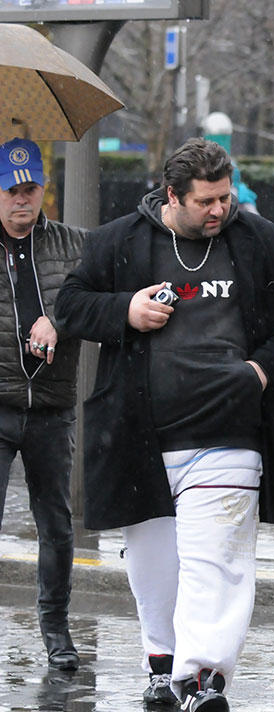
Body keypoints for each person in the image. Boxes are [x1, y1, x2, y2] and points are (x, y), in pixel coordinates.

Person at [56, 138, 274, 712]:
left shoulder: (259, 240)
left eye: (225, 197)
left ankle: (201, 680)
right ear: (172, 197)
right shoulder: (119, 241)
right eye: (206, 202)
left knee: (216, 560)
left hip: (230, 429)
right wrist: (125, 311)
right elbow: (68, 306)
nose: (220, 210)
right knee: (154, 564)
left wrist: (260, 370)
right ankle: (160, 659)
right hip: (140, 431)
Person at [0, 138, 86, 671]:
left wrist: (61, 319)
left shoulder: (74, 246)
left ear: (43, 190)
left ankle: (55, 627)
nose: (20, 200)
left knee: (56, 524)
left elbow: (100, 300)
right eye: (10, 190)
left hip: (52, 406)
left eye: (29, 189)